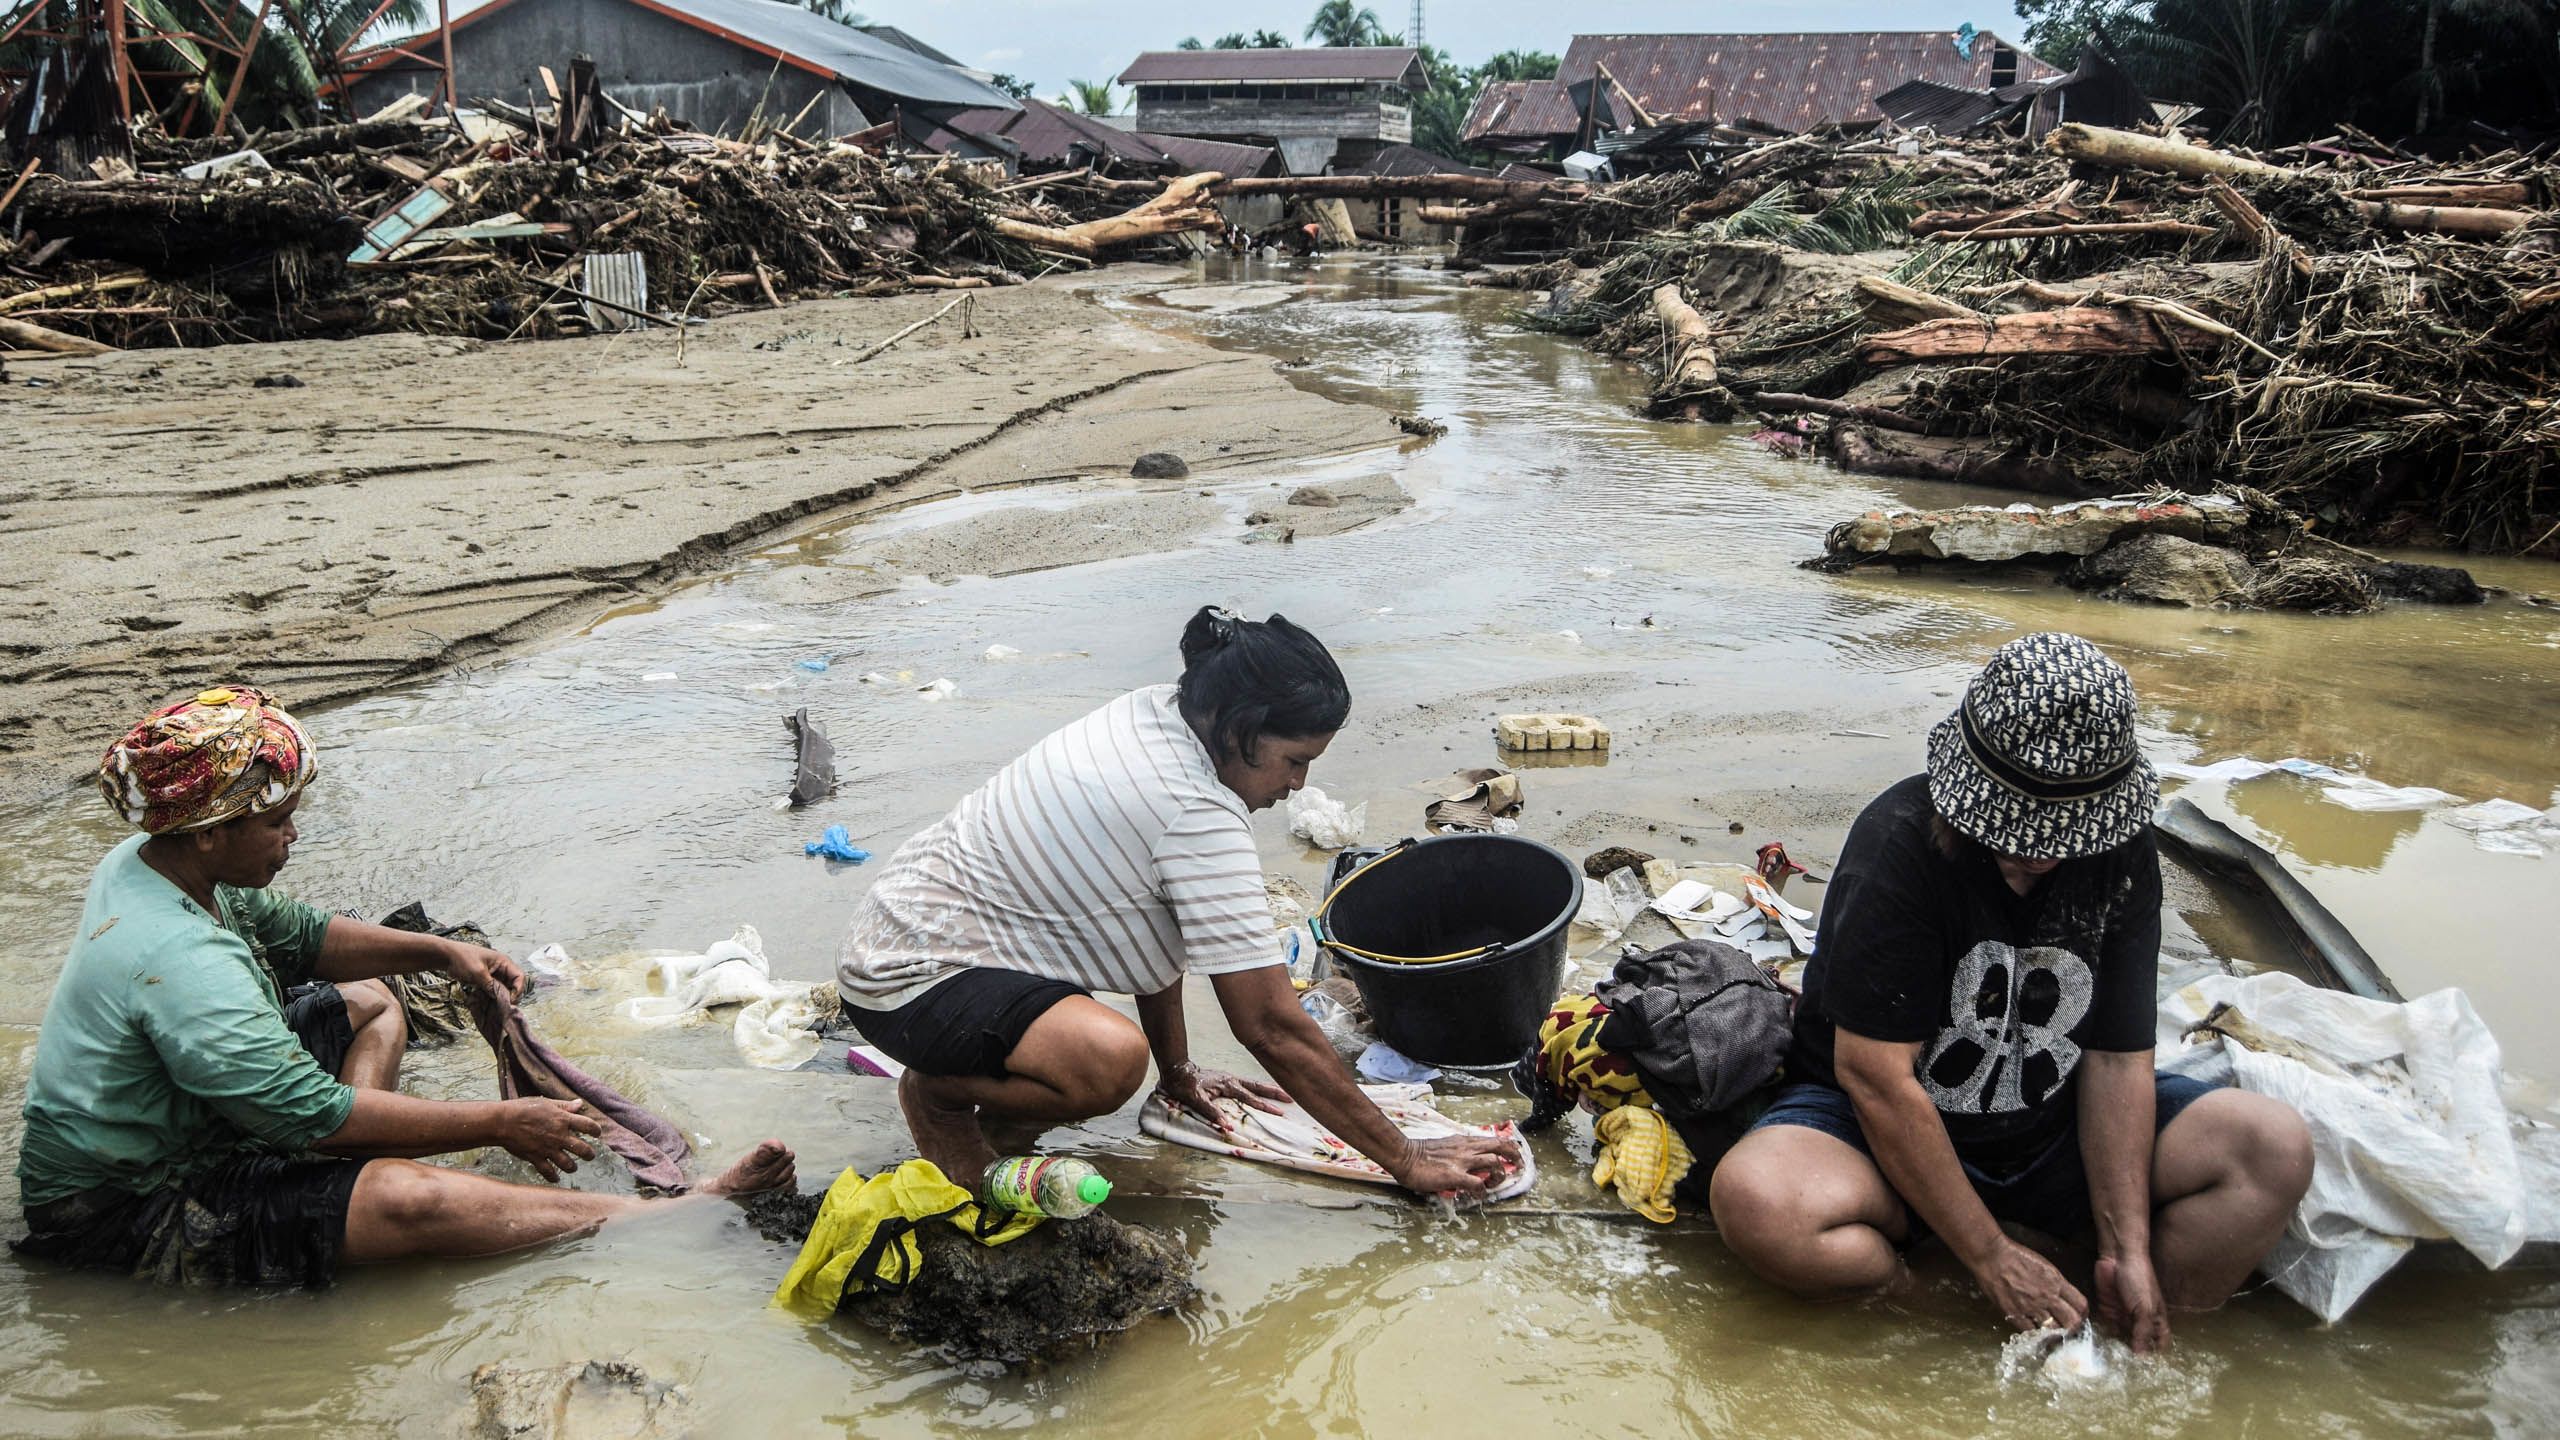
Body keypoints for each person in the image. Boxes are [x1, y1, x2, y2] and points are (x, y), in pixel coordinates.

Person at [12, 687, 795, 1288]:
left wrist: (444, 955)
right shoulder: (181, 961)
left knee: (372, 1000)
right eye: (278, 823)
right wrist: (501, 1123)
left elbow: (300, 935)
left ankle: (357, 1165)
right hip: (128, 1205)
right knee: (405, 1198)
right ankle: (675, 1214)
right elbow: (312, 1117)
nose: (293, 836)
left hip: (194, 1115)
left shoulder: (155, 861)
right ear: (212, 832)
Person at [1709, 633, 2312, 1352]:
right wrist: (1989, 1255)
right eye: (2019, 834)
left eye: (2065, 835)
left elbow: (2117, 1058)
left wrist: (2128, 1249)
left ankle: (2138, 1332)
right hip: (1883, 1137)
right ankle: (1950, 1310)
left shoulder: (2121, 856)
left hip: (2053, 1127)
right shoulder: (1898, 846)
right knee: (1761, 1201)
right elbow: (1875, 1078)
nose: (2042, 853)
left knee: (2272, 1148)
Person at [839, 607, 1520, 1198]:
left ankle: (985, 1085)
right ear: (1240, 729)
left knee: (1104, 1051)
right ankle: (939, 1096)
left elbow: (1152, 919)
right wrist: (1404, 1156)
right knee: (1107, 1062)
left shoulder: (1155, 712)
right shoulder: (1195, 810)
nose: (1299, 782)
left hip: (908, 929)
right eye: (1293, 759)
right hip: (910, 981)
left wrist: (1179, 1073)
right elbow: (1270, 1026)